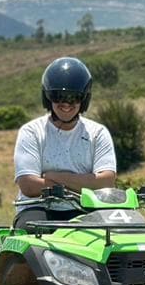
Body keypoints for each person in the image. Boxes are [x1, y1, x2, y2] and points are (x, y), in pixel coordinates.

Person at [13, 57, 117, 229]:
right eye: (59, 97)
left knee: (110, 235)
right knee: (33, 231)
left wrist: (54, 177)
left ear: (84, 99)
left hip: (83, 209)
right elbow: (28, 185)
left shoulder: (97, 133)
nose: (66, 104)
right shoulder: (31, 132)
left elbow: (106, 182)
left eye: (74, 98)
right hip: (38, 207)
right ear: (48, 98)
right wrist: (84, 183)